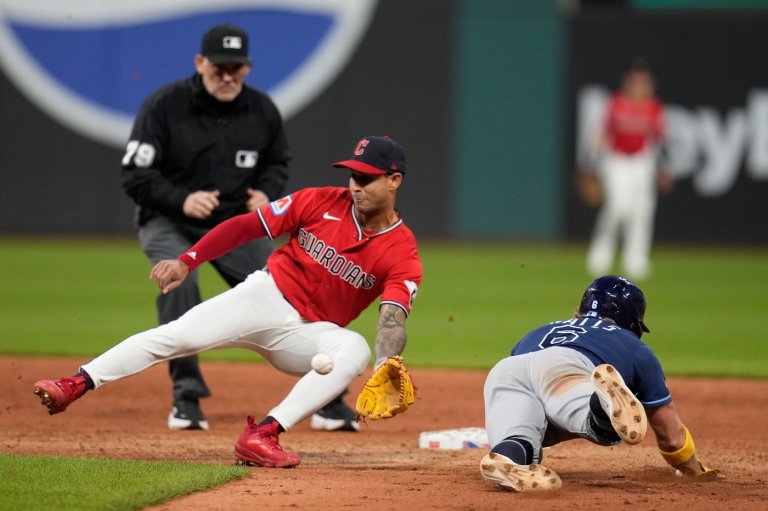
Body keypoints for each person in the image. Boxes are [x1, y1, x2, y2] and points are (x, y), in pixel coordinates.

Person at [34, 135, 422, 468]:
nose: (355, 185)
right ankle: (75, 384)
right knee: (176, 336)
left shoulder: (402, 253)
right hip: (264, 297)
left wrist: (388, 362)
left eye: (367, 179)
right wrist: (188, 260)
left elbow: (391, 319)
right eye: (353, 175)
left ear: (394, 181)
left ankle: (264, 435)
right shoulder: (318, 201)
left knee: (353, 348)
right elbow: (245, 225)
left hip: (311, 335)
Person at [120, 22, 357, 432]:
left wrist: (265, 191)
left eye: (237, 67)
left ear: (247, 67)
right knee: (180, 286)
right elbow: (134, 176)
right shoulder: (164, 106)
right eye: (220, 67)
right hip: (169, 222)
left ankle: (328, 399)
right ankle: (187, 397)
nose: (229, 76)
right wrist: (181, 199)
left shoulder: (261, 109)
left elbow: (277, 163)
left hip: (234, 227)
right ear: (200, 63)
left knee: (291, 288)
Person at [480, 275, 722, 492]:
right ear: (631, 321)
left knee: (519, 436)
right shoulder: (635, 347)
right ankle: (600, 405)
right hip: (568, 368)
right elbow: (671, 437)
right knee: (598, 425)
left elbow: (540, 404)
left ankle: (506, 460)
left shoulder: (538, 332)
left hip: (507, 370)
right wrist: (693, 470)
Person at [583, 58, 672, 281]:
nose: (641, 85)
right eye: (636, 81)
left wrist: (664, 169)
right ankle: (600, 254)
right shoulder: (616, 103)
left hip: (643, 162)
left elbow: (662, 140)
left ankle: (636, 259)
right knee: (618, 208)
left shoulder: (654, 107)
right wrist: (590, 164)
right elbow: (601, 134)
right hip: (617, 161)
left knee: (642, 211)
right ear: (628, 82)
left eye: (644, 81)